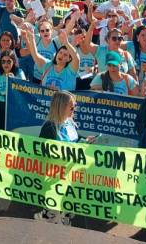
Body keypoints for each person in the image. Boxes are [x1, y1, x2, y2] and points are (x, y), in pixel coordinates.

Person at [35, 91, 96, 224]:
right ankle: (45, 220)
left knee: (67, 207)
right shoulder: (49, 127)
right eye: (72, 107)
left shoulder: (69, 123)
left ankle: (62, 220)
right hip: (55, 175)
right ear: (61, 107)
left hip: (70, 174)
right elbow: (41, 151)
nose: (74, 110)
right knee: (53, 210)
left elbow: (74, 140)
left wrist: (85, 140)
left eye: (75, 107)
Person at [22, 18, 79, 92]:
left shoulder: (71, 70)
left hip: (62, 102)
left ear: (69, 59)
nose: (61, 55)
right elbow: (35, 55)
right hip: (38, 80)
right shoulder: (48, 65)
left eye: (65, 55)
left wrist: (67, 43)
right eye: (60, 52)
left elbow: (76, 59)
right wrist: (31, 37)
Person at [0, 50, 25, 129]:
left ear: (13, 61)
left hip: (13, 105)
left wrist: (14, 80)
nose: (5, 64)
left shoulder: (19, 72)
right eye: (3, 61)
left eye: (8, 61)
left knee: (11, 129)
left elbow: (25, 89)